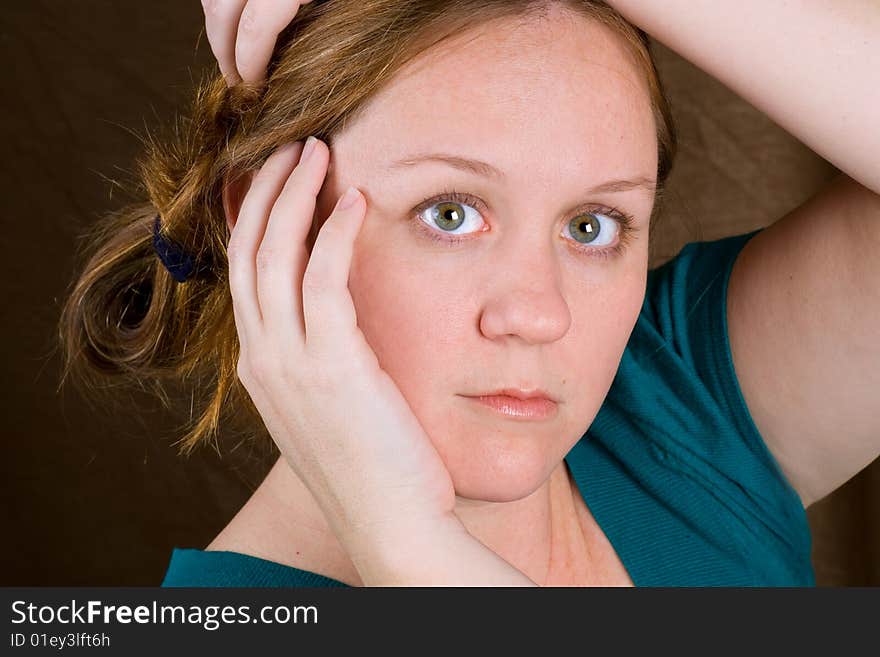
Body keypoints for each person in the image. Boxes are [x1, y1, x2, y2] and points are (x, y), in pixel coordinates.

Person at [58, 0, 880, 587]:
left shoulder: (682, 398)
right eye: (451, 213)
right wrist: (403, 547)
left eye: (592, 226)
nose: (537, 313)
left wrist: (414, 549)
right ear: (275, 222)